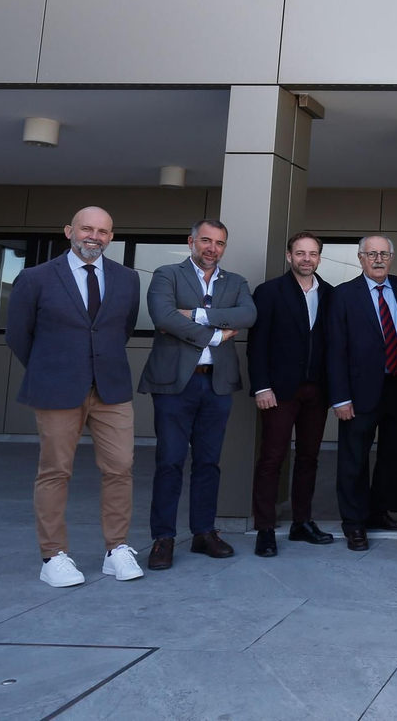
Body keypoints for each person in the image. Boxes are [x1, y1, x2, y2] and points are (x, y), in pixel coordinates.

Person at [5, 206, 144, 587]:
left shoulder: (127, 279)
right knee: (55, 471)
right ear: (69, 231)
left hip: (111, 389)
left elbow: (121, 329)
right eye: (87, 228)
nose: (94, 236)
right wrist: (53, 368)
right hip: (56, 389)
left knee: (120, 468)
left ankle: (116, 550)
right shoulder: (35, 278)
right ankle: (53, 556)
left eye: (102, 231)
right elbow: (19, 335)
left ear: (111, 237)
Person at [141, 219, 256, 571]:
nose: (212, 248)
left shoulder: (235, 282)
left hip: (216, 383)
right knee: (170, 461)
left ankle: (204, 532)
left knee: (208, 462)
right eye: (205, 241)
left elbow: (248, 314)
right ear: (191, 241)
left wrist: (198, 314)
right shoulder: (167, 274)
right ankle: (164, 538)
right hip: (175, 384)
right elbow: (163, 316)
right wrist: (216, 335)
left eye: (219, 243)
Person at [246, 232, 335, 557]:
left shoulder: (330, 294)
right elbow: (257, 345)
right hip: (279, 391)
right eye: (300, 253)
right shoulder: (269, 292)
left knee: (309, 459)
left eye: (312, 253)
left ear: (319, 258)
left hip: (317, 391)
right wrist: (261, 386)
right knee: (272, 458)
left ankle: (302, 523)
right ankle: (265, 529)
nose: (306, 259)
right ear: (289, 256)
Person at [326, 235, 397, 551]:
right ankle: (354, 523)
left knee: (392, 457)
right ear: (360, 258)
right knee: (354, 460)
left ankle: (378, 512)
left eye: (384, 254)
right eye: (371, 254)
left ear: (392, 257)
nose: (378, 259)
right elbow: (335, 349)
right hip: (358, 392)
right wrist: (340, 397)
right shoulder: (343, 294)